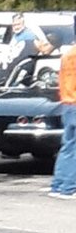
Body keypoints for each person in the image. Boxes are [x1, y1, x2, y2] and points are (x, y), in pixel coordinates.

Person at [52, 45, 76, 197]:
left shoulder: (68, 54)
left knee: (68, 145)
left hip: (67, 102)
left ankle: (58, 185)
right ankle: (69, 187)